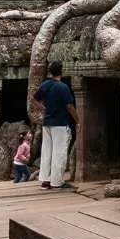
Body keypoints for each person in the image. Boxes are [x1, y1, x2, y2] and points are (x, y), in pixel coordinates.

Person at [32, 61, 77, 189]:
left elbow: (34, 99)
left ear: (50, 72)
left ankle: (45, 180)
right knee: (59, 152)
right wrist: (77, 120)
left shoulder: (45, 84)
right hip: (60, 124)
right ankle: (57, 181)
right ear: (61, 71)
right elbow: (69, 106)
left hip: (47, 123)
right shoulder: (63, 87)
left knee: (47, 151)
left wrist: (43, 108)